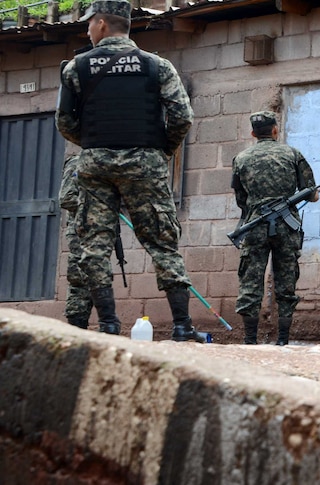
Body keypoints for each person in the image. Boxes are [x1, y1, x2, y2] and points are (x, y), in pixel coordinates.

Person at [55, 0, 204, 342]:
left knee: (94, 244)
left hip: (95, 165)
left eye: (89, 23)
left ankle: (108, 324)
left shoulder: (76, 68)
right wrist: (160, 151)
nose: (87, 29)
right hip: (145, 162)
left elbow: (64, 122)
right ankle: (182, 325)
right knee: (163, 244)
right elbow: (182, 116)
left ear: (103, 24)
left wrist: (95, 144)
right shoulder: (157, 65)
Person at [231, 111, 319, 345]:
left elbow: (241, 198)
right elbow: (312, 194)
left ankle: (250, 340)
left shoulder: (241, 159)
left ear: (253, 133)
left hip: (254, 225)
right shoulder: (292, 154)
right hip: (286, 228)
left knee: (250, 283)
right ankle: (282, 340)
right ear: (275, 130)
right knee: (286, 283)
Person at [58, 155, 94, 330]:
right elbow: (66, 198)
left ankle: (84, 324)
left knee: (96, 277)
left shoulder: (106, 161)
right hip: (80, 231)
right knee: (79, 279)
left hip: (98, 232)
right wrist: (96, 207)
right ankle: (76, 326)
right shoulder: (77, 161)